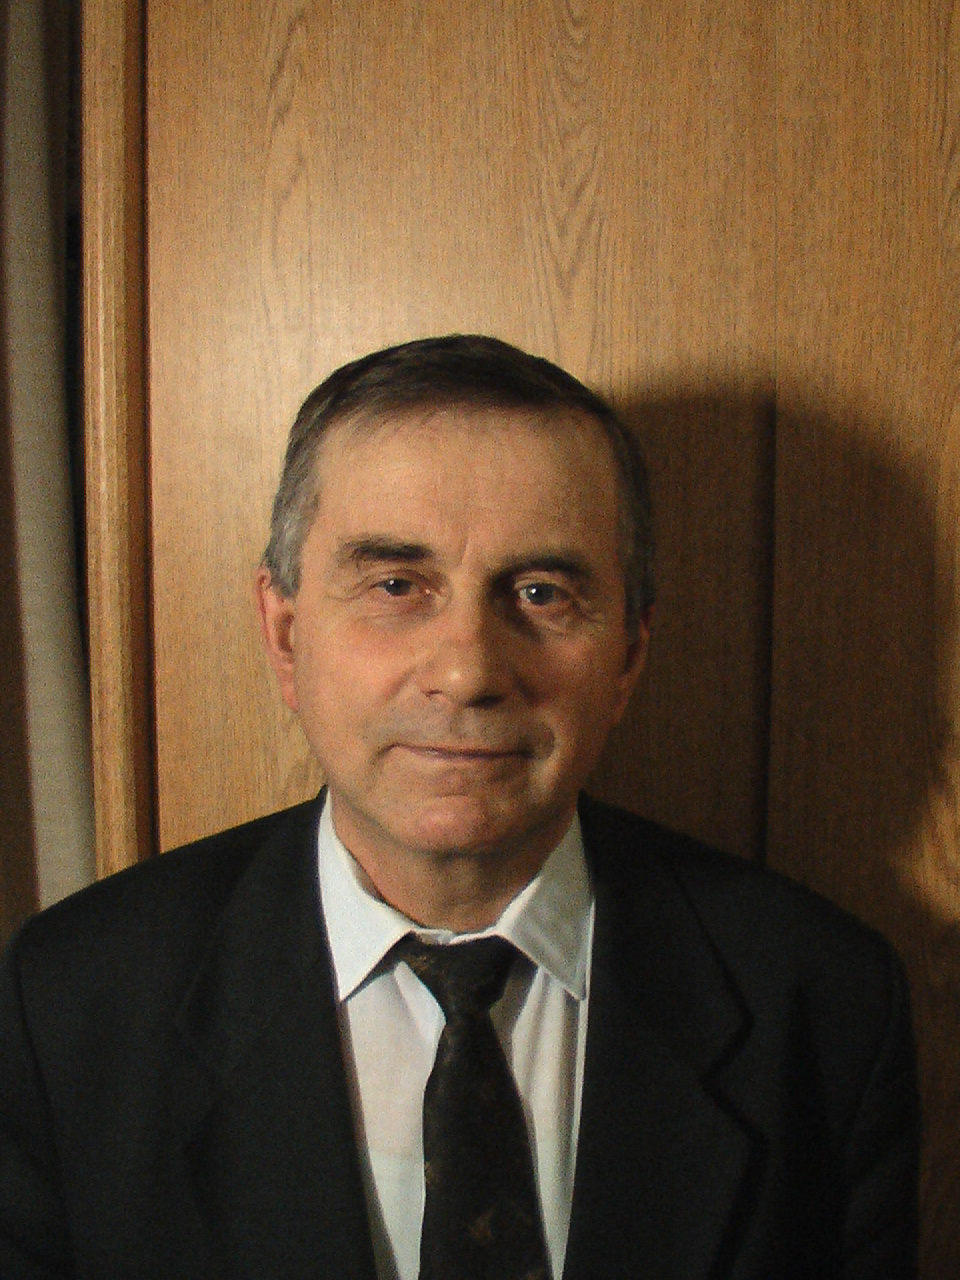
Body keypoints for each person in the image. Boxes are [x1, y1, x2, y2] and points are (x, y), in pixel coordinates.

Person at [0, 335, 919, 1278]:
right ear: (285, 635)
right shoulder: (69, 1007)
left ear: (628, 658)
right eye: (397, 586)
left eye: (541, 593)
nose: (469, 670)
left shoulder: (824, 1007)